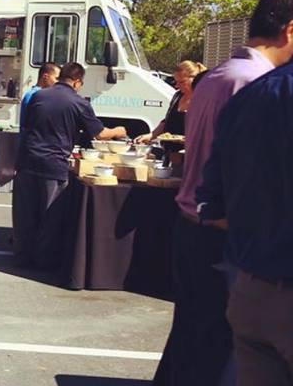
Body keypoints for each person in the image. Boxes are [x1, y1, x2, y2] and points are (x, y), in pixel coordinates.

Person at [165, 0, 293, 386]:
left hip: (246, 276)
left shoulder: (235, 87)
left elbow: (213, 194)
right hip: (265, 274)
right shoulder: (246, 83)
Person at [12, 62, 127, 270]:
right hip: (53, 164)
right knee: (49, 215)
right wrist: (119, 130)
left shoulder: (39, 95)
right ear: (77, 82)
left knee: (25, 214)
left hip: (27, 159)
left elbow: (27, 127)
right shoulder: (79, 102)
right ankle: (43, 263)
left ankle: (21, 257)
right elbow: (99, 133)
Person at [135, 60, 204, 142]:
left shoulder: (203, 99)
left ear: (195, 79)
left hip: (190, 151)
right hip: (171, 151)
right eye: (176, 82)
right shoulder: (177, 96)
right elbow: (167, 121)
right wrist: (151, 135)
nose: (177, 86)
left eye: (182, 82)